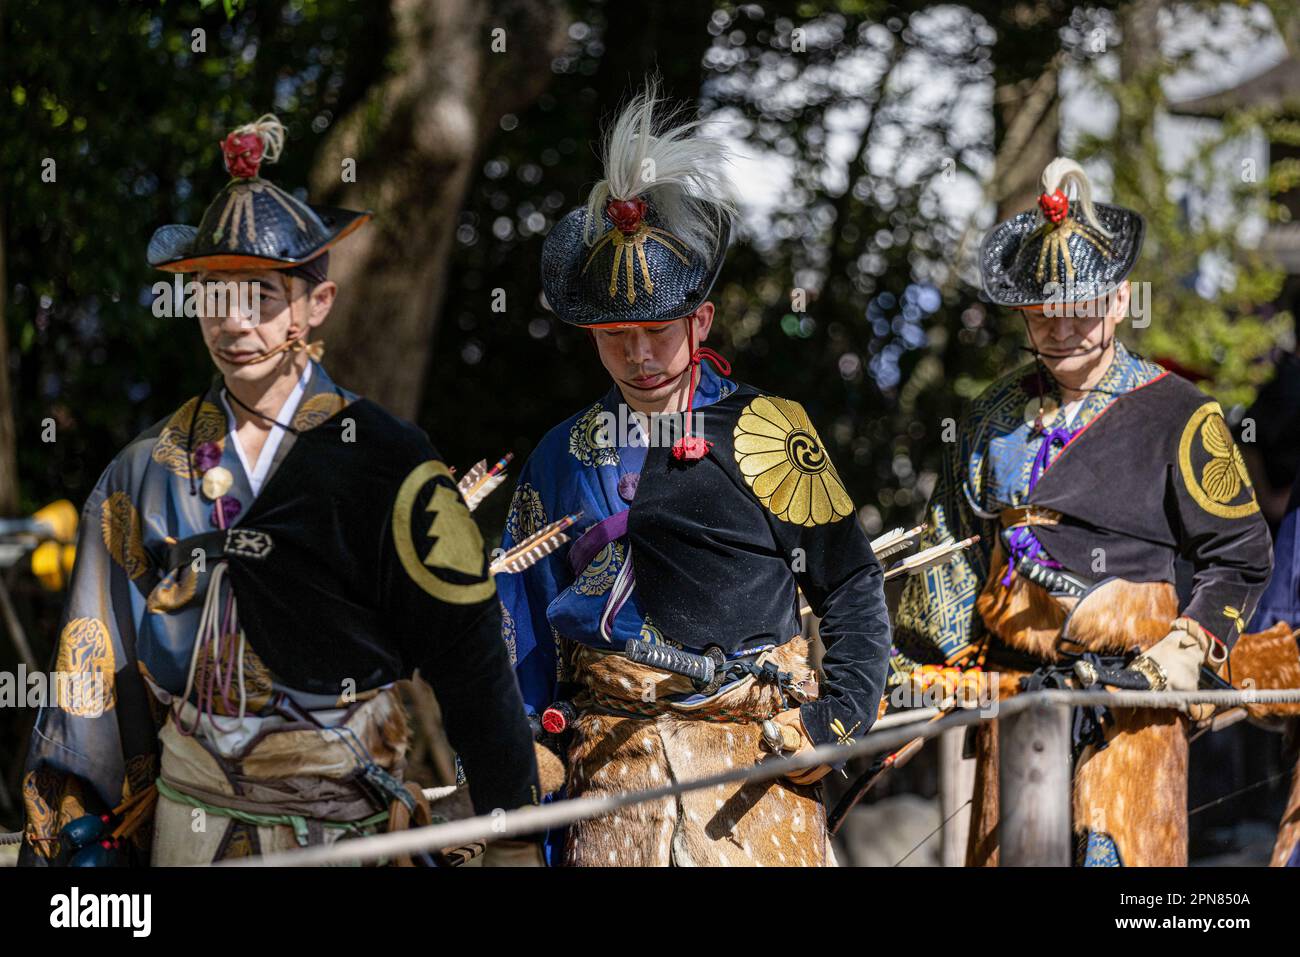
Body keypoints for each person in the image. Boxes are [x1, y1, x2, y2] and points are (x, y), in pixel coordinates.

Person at [20, 115, 540, 866]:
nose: (234, 322)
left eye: (261, 296)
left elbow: (470, 658)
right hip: (186, 830)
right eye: (213, 294)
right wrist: (71, 845)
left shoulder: (387, 462)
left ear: (315, 305)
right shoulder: (144, 472)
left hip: (344, 833)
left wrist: (511, 832)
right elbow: (90, 677)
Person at [497, 85, 892, 866]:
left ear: (700, 321)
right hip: (610, 785)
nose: (639, 356)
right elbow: (522, 628)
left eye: (657, 332)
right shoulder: (559, 455)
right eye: (615, 337)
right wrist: (523, 750)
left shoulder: (769, 432)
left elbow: (849, 587)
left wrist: (834, 723)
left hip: (755, 783)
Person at [895, 157, 1274, 866]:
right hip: (1014, 702)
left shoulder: (1182, 413)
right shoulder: (991, 417)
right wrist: (908, 675)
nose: (1063, 328)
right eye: (1044, 313)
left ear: (1122, 300)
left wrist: (1177, 658)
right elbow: (951, 557)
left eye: (1081, 309)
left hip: (1133, 705)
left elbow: (1243, 553)